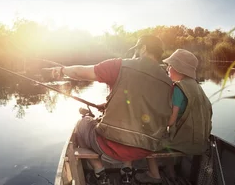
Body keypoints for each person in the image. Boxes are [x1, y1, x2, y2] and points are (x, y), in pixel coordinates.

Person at [50, 35, 173, 185]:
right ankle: (127, 169)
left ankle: (99, 170)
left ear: (144, 48)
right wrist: (108, 104)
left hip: (110, 147)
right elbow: (143, 105)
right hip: (146, 149)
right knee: (136, 127)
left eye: (138, 49)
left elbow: (79, 72)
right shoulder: (168, 81)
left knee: (82, 124)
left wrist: (62, 70)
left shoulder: (120, 66)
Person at [134, 49, 213, 184]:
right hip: (201, 142)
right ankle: (171, 172)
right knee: (167, 137)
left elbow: (170, 121)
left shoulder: (178, 88)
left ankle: (154, 175)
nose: (168, 68)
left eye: (170, 66)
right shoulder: (198, 88)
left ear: (178, 69)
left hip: (185, 142)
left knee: (146, 140)